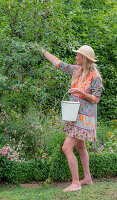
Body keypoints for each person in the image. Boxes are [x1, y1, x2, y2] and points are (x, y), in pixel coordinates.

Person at [35, 45, 103, 192]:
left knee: (66, 147)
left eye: (78, 55)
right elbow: (58, 63)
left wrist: (80, 92)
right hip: (74, 116)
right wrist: (42, 51)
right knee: (80, 147)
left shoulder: (95, 77)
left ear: (84, 58)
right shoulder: (76, 70)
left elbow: (96, 99)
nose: (75, 57)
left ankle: (76, 183)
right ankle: (88, 178)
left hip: (84, 119)